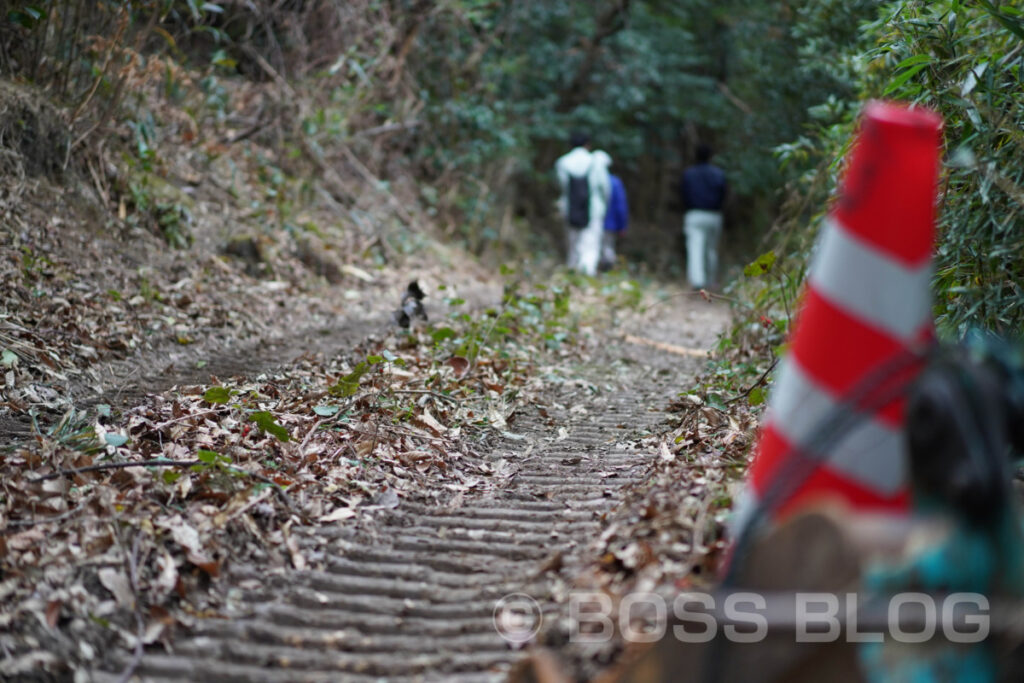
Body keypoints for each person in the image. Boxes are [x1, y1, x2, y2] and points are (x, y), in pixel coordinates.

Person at [554, 132, 611, 276]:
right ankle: (586, 276)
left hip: (570, 209)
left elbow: (562, 187)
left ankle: (572, 274)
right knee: (590, 246)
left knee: (573, 245)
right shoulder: (595, 161)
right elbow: (604, 187)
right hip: (593, 209)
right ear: (588, 145)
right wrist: (605, 206)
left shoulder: (562, 162)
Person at [679, 143, 726, 289]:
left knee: (695, 248)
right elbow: (723, 194)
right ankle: (710, 281)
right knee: (711, 250)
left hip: (694, 214)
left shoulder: (689, 173)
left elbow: (683, 194)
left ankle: (697, 281)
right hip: (714, 215)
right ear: (710, 157)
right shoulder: (718, 174)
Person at [600, 161, 629, 270]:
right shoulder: (615, 182)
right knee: (607, 249)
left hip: (593, 222)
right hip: (610, 224)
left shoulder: (591, 179)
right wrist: (622, 226)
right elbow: (621, 206)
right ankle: (605, 274)